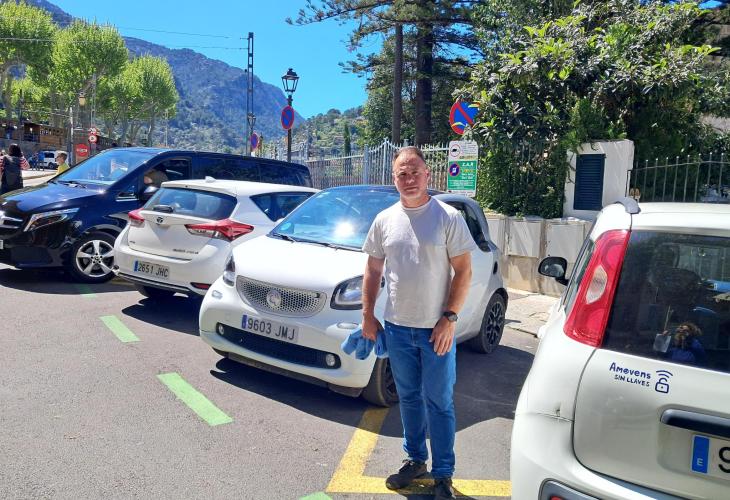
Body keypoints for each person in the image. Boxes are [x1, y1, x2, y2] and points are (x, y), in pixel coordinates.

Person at [361, 146, 476, 500]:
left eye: (415, 172)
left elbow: (464, 271)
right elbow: (373, 270)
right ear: (394, 178)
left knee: (439, 402)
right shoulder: (384, 220)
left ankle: (443, 474)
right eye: (402, 174)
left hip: (436, 330)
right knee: (409, 398)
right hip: (397, 328)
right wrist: (368, 315)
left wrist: (449, 318)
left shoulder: (447, 217)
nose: (409, 179)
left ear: (427, 175)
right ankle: (415, 461)